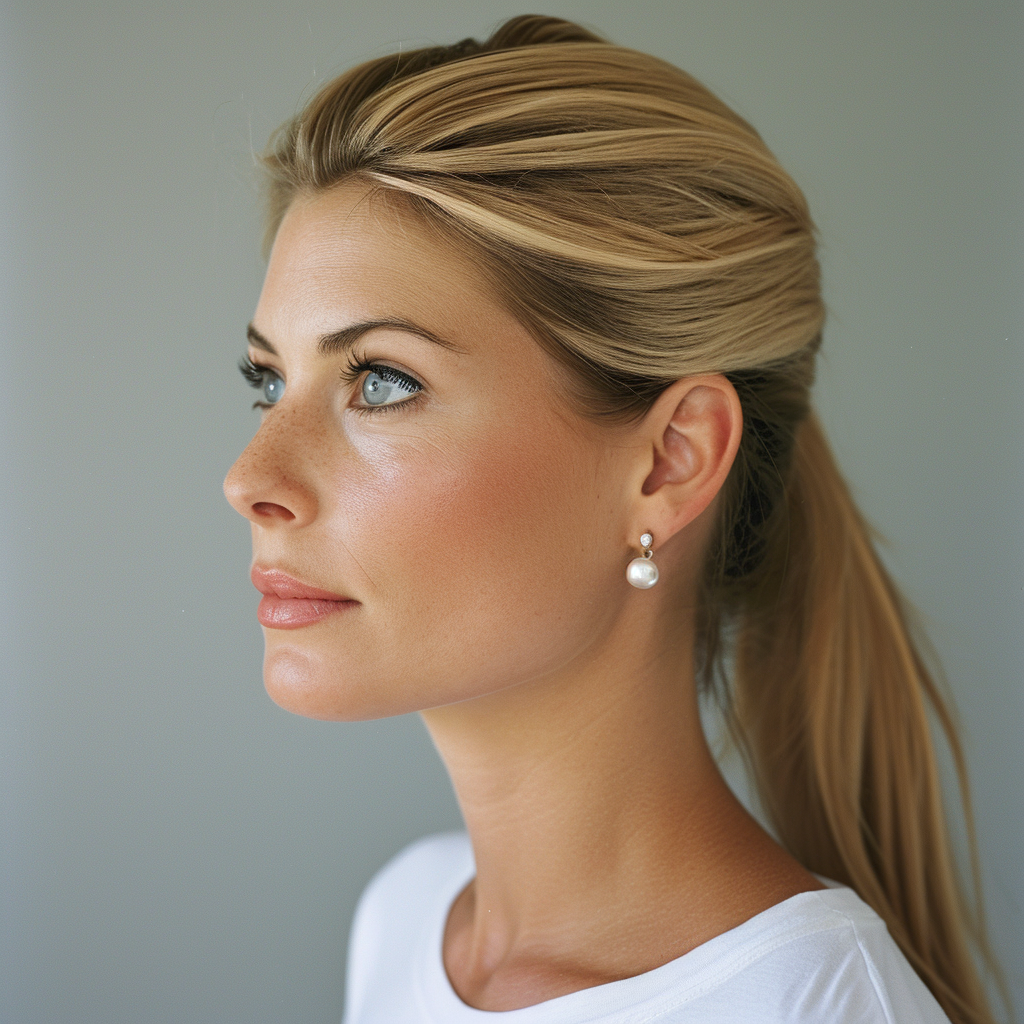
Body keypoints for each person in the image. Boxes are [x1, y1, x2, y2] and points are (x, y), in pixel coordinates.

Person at [223, 15, 1002, 1024]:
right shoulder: (406, 919)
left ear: (670, 461)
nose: (250, 477)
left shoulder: (810, 1005)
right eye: (267, 380)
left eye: (379, 380)